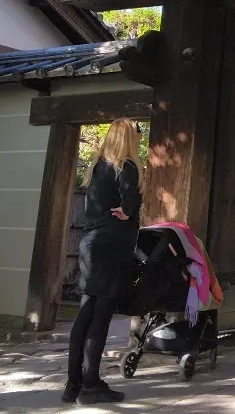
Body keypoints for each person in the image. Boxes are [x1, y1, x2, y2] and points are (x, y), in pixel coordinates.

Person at [65, 118, 143, 405]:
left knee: (85, 314)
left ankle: (73, 383)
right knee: (101, 318)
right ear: (129, 138)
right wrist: (127, 211)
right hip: (112, 247)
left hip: (90, 244)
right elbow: (129, 201)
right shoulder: (127, 166)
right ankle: (91, 383)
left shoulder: (96, 167)